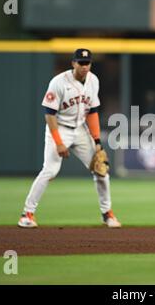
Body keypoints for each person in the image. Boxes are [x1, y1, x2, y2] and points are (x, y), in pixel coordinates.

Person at [18, 48, 121, 228]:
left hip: (80, 130)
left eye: (87, 63)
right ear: (73, 63)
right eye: (80, 63)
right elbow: (49, 114)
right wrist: (58, 142)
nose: (84, 66)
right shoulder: (58, 82)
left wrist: (97, 142)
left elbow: (93, 112)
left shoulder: (93, 80)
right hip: (59, 128)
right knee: (49, 171)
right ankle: (27, 214)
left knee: (101, 170)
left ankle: (107, 214)